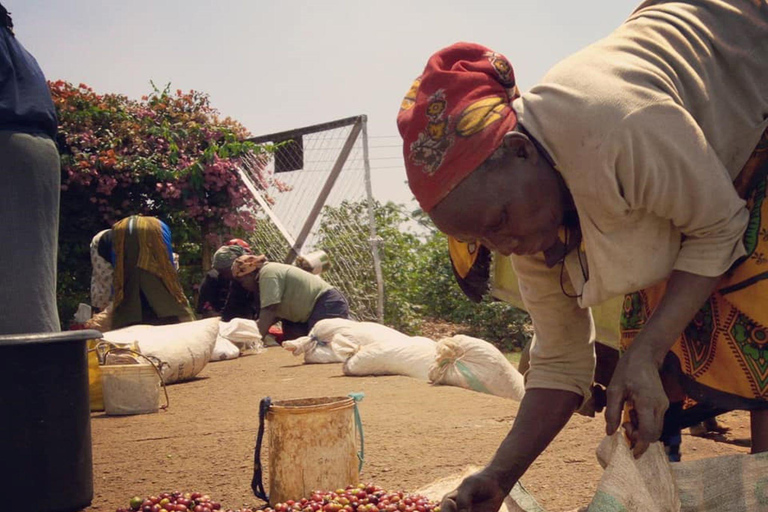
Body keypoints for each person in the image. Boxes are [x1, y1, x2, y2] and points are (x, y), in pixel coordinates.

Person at [396, 0, 768, 509]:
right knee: (640, 374)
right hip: (688, 181)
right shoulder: (526, 225)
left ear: (522, 151)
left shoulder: (617, 121)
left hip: (752, 86)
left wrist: (648, 348)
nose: (505, 247)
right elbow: (561, 361)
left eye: (500, 223)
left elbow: (720, 226)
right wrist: (498, 476)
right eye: (485, 242)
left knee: (755, 320)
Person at [0, 4, 61, 334]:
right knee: (30, 284)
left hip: (7, 151)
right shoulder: (23, 55)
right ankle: (38, 370)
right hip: (39, 155)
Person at [98, 215, 194, 329]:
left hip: (128, 309)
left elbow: (118, 268)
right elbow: (167, 263)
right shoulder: (158, 227)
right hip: (164, 307)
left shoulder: (116, 232)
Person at [231, 254, 350, 341]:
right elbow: (271, 317)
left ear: (250, 274)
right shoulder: (267, 274)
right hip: (313, 310)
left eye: (242, 281)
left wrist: (254, 340)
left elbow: (269, 311)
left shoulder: (267, 273)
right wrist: (249, 333)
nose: (243, 286)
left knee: (321, 345)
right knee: (297, 342)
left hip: (326, 304)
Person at [197, 244, 257, 321]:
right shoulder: (212, 278)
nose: (224, 276)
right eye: (220, 272)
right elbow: (203, 310)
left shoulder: (252, 278)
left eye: (226, 272)